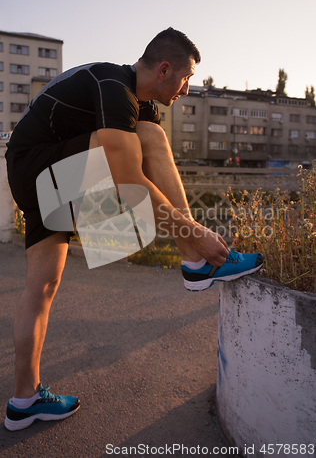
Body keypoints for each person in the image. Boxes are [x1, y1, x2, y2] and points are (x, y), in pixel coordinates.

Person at [4, 28, 263, 431]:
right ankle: (194, 256)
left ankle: (24, 400)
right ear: (164, 69)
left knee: (41, 288)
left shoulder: (140, 104)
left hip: (47, 183)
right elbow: (128, 179)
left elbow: (132, 183)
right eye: (187, 77)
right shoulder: (113, 85)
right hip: (39, 170)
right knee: (147, 138)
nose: (187, 89)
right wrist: (198, 233)